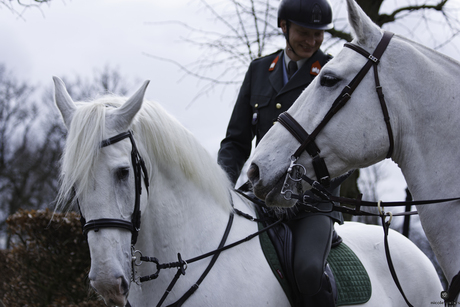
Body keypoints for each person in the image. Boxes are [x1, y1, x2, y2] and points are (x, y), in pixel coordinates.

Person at [218, 0, 344, 306]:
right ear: (283, 26)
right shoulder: (259, 70)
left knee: (308, 271)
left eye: (318, 34)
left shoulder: (332, 73)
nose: (312, 41)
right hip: (261, 193)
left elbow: (344, 147)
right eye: (304, 32)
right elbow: (236, 141)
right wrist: (220, 185)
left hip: (313, 201)